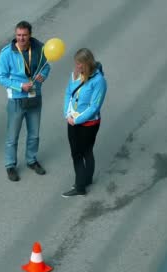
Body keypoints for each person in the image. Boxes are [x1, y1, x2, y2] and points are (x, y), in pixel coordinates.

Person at [0, 20, 51, 182]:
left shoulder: (39, 49)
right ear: (15, 35)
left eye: (24, 35)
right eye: (18, 35)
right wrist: (20, 86)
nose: (21, 38)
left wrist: (44, 75)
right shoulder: (7, 53)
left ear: (30, 35)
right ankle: (10, 165)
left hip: (35, 97)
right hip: (17, 100)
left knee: (34, 134)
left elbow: (46, 66)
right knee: (12, 136)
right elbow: (1, 78)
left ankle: (31, 160)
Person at [61, 48, 107, 198]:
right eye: (76, 63)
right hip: (72, 119)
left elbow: (94, 107)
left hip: (88, 124)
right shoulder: (75, 74)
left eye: (80, 64)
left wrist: (76, 120)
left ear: (88, 64)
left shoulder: (99, 81)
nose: (77, 66)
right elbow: (69, 93)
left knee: (79, 153)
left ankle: (80, 187)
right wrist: (67, 113)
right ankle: (87, 179)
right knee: (85, 152)